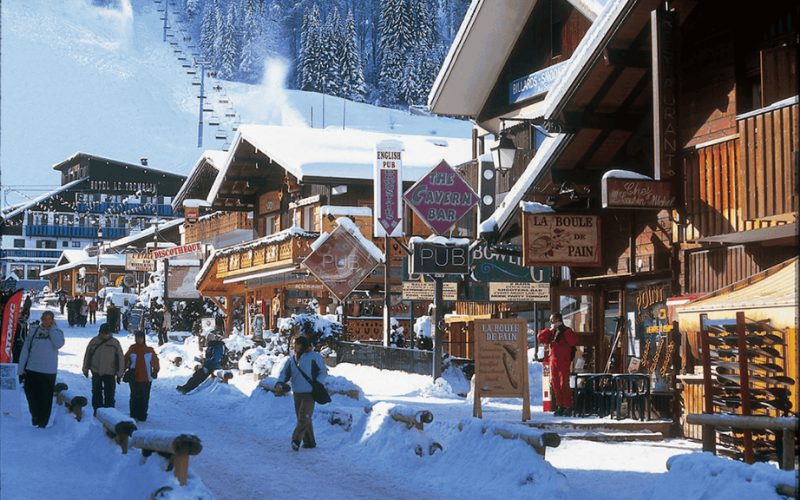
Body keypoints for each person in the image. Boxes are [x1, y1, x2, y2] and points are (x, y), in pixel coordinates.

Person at [275, 335, 328, 451]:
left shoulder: (314, 356)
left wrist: (318, 384)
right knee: (303, 417)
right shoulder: (292, 359)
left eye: (296, 344)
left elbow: (323, 371)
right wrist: (280, 382)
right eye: (293, 344)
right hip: (297, 392)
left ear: (303, 344)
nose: (294, 346)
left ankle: (296, 440)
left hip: (310, 392)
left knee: (304, 417)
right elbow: (285, 373)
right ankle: (309, 442)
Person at [18, 310, 65, 428]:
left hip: (48, 371)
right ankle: (35, 415)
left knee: (45, 398)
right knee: (30, 394)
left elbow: (58, 344)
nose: (47, 321)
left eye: (50, 319)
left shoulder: (57, 332)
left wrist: (53, 329)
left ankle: (43, 421)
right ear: (42, 319)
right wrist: (20, 369)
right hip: (32, 369)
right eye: (45, 319)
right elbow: (25, 350)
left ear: (53, 320)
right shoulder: (34, 331)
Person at [538, 313, 578, 417]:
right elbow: (540, 337)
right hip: (553, 361)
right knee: (555, 385)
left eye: (552, 319)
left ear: (558, 319)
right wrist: (550, 330)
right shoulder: (552, 332)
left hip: (563, 361)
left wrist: (562, 330)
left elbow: (573, 341)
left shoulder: (566, 330)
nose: (550, 321)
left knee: (564, 384)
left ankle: (568, 406)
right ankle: (560, 406)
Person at [82, 323, 125, 416]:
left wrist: (120, 373)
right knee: (96, 393)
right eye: (104, 333)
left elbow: (120, 358)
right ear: (100, 333)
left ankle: (109, 413)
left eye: (107, 333)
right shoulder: (94, 342)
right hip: (96, 370)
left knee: (109, 394)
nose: (106, 335)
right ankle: (97, 411)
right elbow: (87, 356)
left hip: (110, 371)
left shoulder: (115, 343)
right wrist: (85, 368)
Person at [124, 331, 160, 422]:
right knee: (134, 396)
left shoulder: (149, 350)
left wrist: (155, 370)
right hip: (134, 377)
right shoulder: (132, 349)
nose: (140, 340)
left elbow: (155, 361)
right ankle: (134, 415)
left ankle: (142, 415)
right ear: (135, 339)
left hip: (146, 377)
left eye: (141, 338)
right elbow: (125, 361)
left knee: (144, 397)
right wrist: (121, 372)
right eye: (138, 338)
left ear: (144, 338)